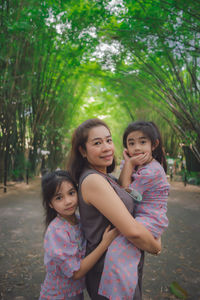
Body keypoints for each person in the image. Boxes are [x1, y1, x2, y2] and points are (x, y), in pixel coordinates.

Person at [67, 119, 161, 300]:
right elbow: (132, 231)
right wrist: (155, 246)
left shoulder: (105, 177)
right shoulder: (93, 181)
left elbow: (127, 194)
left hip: (121, 268)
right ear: (82, 151)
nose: (107, 147)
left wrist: (130, 163)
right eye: (97, 143)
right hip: (109, 275)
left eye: (108, 140)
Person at [99, 121, 169, 299]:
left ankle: (119, 294)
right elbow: (124, 184)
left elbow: (127, 195)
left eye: (142, 142)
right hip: (140, 215)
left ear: (154, 144)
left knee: (118, 252)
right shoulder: (136, 164)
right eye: (131, 143)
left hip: (150, 218)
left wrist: (129, 166)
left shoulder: (151, 171)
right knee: (119, 253)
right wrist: (129, 165)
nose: (137, 148)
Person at [39, 170, 118, 300]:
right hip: (58, 296)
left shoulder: (79, 220)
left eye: (71, 193)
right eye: (59, 198)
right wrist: (104, 244)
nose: (68, 201)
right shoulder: (57, 232)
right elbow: (75, 272)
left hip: (75, 293)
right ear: (50, 204)